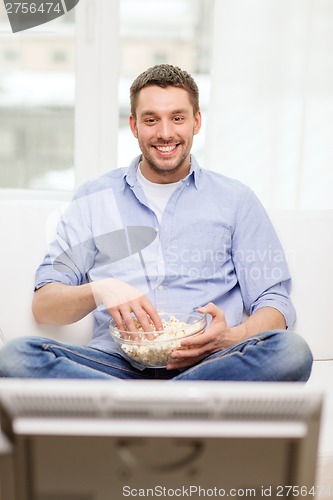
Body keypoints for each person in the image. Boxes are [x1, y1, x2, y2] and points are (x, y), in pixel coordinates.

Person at [0, 64, 312, 381]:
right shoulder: (95, 198)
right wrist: (100, 290)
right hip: (114, 365)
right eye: (151, 120)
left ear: (197, 122)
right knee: (15, 357)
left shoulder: (236, 200)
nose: (165, 133)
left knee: (291, 352)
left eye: (177, 118)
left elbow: (275, 303)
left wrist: (229, 338)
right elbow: (44, 306)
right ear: (134, 125)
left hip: (210, 364)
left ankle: (137, 407)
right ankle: (174, 408)